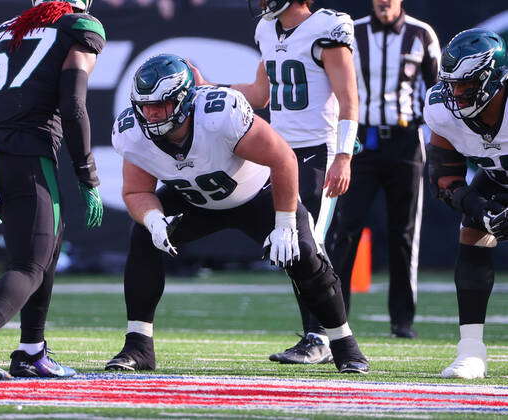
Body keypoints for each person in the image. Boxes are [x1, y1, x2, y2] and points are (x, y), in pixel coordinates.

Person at [106, 54, 369, 374]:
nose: (151, 114)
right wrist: (153, 219)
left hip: (256, 194)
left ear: (185, 100)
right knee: (144, 236)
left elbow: (283, 157)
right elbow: (136, 191)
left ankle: (344, 345)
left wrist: (285, 222)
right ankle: (138, 346)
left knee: (303, 253)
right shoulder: (134, 132)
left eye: (161, 105)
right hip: (195, 201)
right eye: (145, 106)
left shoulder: (220, 114)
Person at [191, 0, 358, 364]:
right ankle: (318, 337)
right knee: (294, 244)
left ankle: (323, 337)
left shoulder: (328, 27)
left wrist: (343, 155)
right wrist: (207, 87)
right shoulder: (267, 29)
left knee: (310, 242)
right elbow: (259, 94)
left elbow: (349, 99)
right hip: (281, 154)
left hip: (320, 149)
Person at [0, 0, 106, 380]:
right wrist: (87, 175)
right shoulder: (80, 28)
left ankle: (32, 351)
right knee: (30, 265)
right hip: (30, 153)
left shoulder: (4, 31)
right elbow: (73, 105)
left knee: (47, 247)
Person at [326, 0, 441, 339]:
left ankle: (402, 321)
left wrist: (437, 142)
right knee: (344, 230)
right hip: (360, 143)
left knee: (403, 233)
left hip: (405, 142)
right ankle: (335, 319)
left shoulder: (421, 34)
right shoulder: (351, 34)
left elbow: (436, 92)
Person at [424, 28, 508, 379]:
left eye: (466, 84)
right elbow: (444, 177)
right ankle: (471, 352)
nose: (456, 94)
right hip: (498, 178)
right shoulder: (442, 110)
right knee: (473, 232)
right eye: (451, 84)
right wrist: (478, 209)